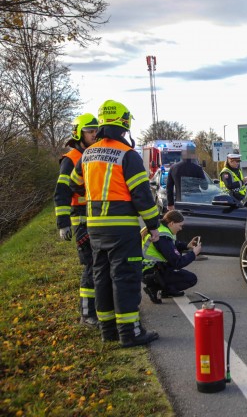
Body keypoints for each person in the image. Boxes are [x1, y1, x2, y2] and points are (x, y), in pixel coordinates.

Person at [70, 99, 161, 348]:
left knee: (102, 277)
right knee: (125, 278)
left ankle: (108, 330)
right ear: (124, 124)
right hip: (122, 229)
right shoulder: (127, 155)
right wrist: (153, 226)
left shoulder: (88, 153)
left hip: (95, 228)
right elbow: (142, 195)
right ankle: (130, 333)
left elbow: (73, 183)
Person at [54, 113, 99, 327]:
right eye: (90, 131)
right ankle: (87, 314)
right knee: (90, 267)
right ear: (79, 133)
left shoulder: (94, 155)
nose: (94, 134)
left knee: (100, 265)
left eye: (95, 130)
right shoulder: (71, 159)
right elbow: (61, 192)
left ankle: (99, 309)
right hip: (81, 222)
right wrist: (62, 223)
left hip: (97, 220)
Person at [141, 210, 201, 303]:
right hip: (152, 272)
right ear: (172, 223)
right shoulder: (162, 236)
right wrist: (193, 254)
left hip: (147, 269)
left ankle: (166, 289)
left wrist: (186, 246)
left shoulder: (159, 228)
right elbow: (177, 262)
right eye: (180, 225)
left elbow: (170, 245)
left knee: (185, 276)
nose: (181, 228)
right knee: (191, 279)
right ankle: (154, 287)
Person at [166, 144, 205, 211]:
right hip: (196, 202)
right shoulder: (198, 168)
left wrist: (170, 204)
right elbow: (205, 187)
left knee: (181, 221)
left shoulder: (173, 168)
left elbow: (169, 188)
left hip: (180, 202)